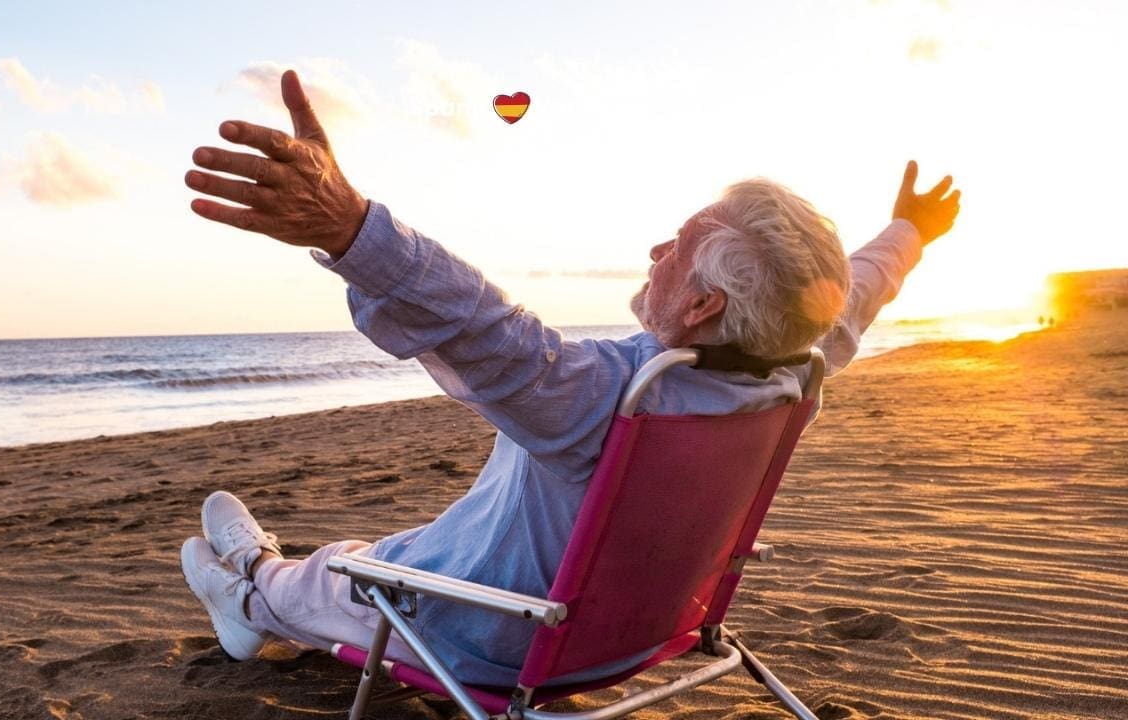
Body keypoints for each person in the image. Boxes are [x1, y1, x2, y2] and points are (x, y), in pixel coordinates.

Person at [180, 70, 961, 686]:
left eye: (681, 244)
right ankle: (267, 579)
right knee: (383, 551)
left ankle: (248, 590)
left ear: (700, 304)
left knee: (345, 578)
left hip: (488, 632)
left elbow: (483, 328)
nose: (658, 246)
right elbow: (856, 291)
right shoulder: (795, 368)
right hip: (645, 630)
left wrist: (348, 227)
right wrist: (909, 231)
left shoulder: (618, 401)